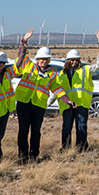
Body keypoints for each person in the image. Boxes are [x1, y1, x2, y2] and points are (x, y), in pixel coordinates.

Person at [14, 32, 74, 162]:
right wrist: (23, 43)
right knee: (23, 130)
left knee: (36, 130)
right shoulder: (28, 66)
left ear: (49, 60)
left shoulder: (52, 74)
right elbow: (20, 56)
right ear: (37, 59)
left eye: (46, 59)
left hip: (39, 105)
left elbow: (58, 90)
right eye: (41, 59)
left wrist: (68, 100)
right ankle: (22, 156)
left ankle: (34, 155)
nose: (43, 61)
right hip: (24, 103)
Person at [57, 36, 99, 151]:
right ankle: (65, 148)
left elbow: (97, 66)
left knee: (81, 126)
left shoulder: (85, 70)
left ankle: (82, 148)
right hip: (67, 105)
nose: (74, 62)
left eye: (76, 60)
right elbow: (57, 90)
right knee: (66, 127)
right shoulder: (61, 74)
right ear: (68, 61)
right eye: (72, 60)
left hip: (81, 104)